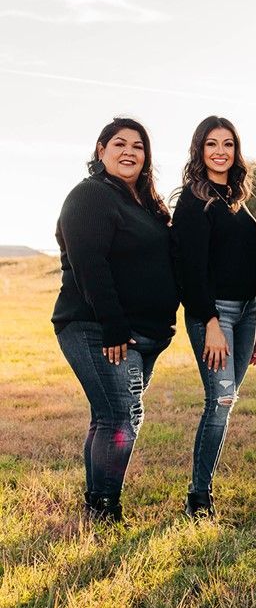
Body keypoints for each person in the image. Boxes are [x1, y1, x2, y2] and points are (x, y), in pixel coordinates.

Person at [52, 118, 179, 523]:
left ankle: (97, 503)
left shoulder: (143, 204)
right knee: (121, 416)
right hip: (97, 328)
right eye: (120, 144)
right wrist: (114, 326)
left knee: (112, 415)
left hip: (142, 334)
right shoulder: (91, 195)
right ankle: (105, 509)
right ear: (101, 150)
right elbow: (90, 265)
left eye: (138, 146)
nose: (129, 152)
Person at [172, 116, 256, 520]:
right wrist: (209, 321)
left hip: (246, 314)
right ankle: (199, 496)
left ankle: (202, 490)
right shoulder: (193, 201)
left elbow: (249, 263)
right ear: (200, 150)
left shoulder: (236, 200)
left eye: (228, 144)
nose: (220, 151)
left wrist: (255, 326)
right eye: (212, 144)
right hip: (215, 315)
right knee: (221, 399)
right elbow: (189, 269)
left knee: (227, 401)